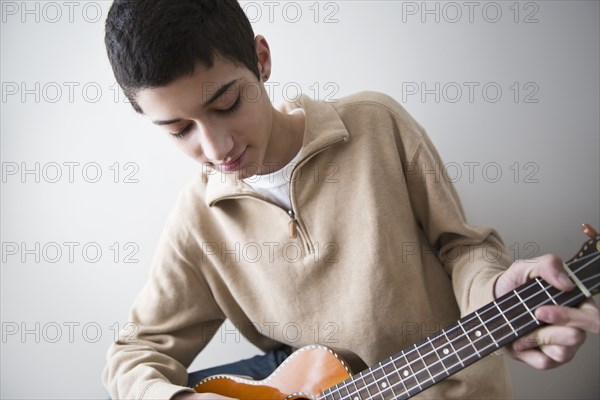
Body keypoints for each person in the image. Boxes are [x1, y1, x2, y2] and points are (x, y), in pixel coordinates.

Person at [102, 1, 600, 399]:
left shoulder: (375, 124)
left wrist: (493, 291)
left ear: (262, 58)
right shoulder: (196, 221)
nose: (216, 148)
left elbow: (461, 248)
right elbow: (133, 356)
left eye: (227, 104)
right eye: (179, 129)